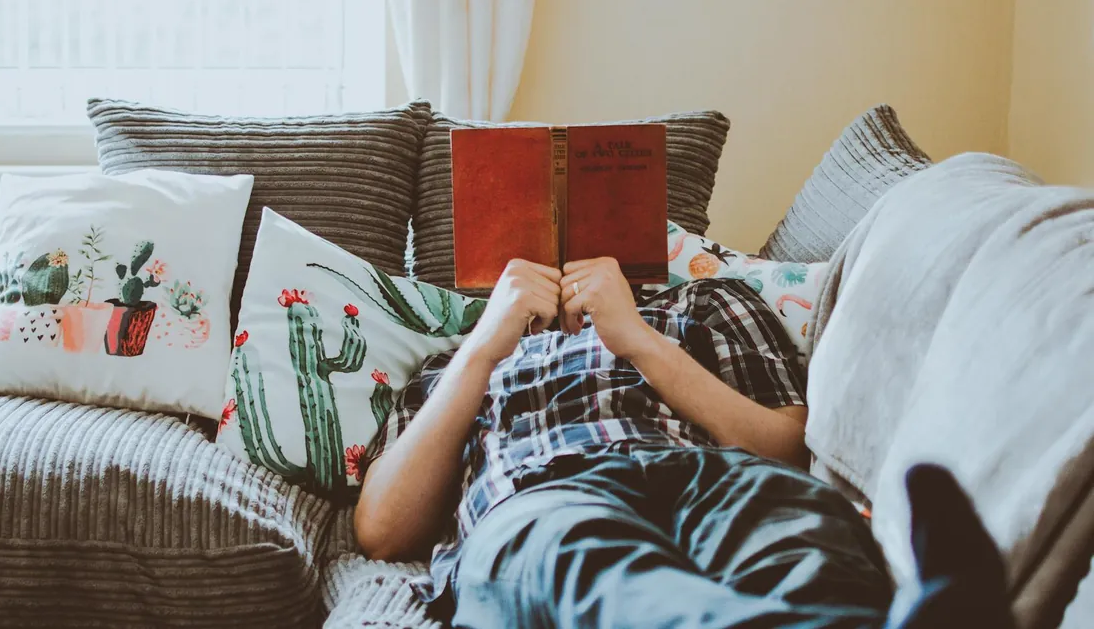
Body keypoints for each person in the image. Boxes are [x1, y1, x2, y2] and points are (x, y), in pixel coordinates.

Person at [355, 258, 1012, 628]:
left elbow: (786, 450)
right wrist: (482, 347)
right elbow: (383, 532)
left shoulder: (711, 303)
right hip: (540, 494)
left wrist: (637, 336)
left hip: (714, 476)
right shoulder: (449, 364)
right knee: (591, 568)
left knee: (805, 543)